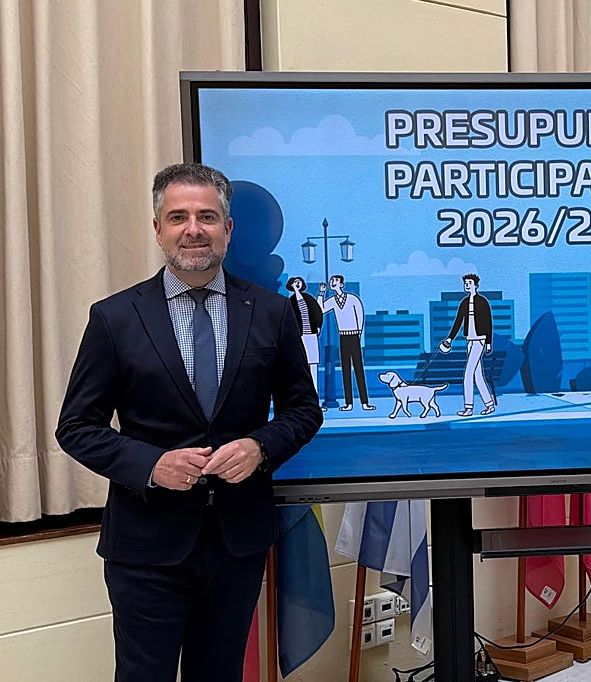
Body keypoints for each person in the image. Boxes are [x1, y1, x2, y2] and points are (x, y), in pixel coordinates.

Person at [55, 163, 322, 682]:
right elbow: (77, 426)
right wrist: (151, 464)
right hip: (146, 547)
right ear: (158, 229)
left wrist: (260, 447)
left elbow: (303, 410)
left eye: (207, 216)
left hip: (237, 543)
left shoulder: (271, 312)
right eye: (178, 217)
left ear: (228, 228)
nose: (193, 229)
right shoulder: (114, 318)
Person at [317, 273, 376, 411]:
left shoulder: (352, 299)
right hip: (343, 337)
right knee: (345, 370)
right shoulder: (333, 300)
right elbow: (321, 309)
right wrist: (321, 294)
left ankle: (364, 402)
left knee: (359, 369)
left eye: (335, 280)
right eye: (332, 280)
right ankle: (349, 403)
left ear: (341, 284)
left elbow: (360, 316)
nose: (332, 282)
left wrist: (359, 336)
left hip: (354, 336)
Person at [441, 273, 495, 416]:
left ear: (476, 285)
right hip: (470, 340)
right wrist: (450, 339)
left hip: (480, 340)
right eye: (465, 283)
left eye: (469, 283)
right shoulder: (464, 303)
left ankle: (468, 408)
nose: (466, 285)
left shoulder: (482, 302)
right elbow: (458, 322)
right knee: (478, 375)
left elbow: (488, 323)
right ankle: (489, 404)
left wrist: (488, 342)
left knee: (468, 374)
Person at [286, 275, 323, 399]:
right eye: (295, 282)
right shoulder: (291, 301)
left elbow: (317, 311)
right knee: (301, 366)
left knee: (313, 365)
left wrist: (318, 326)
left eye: (299, 281)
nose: (297, 283)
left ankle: (315, 396)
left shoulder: (308, 298)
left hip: (311, 335)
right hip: (299, 337)